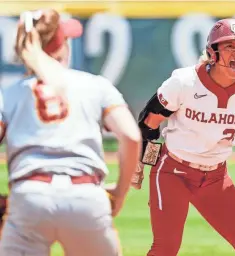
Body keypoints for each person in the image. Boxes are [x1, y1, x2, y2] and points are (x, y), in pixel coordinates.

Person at [132, 18, 235, 256]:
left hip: (216, 178)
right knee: (165, 248)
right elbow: (149, 122)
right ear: (213, 52)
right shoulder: (185, 81)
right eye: (229, 46)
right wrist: (140, 162)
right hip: (172, 173)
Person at [0, 9, 141, 256]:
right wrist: (119, 192)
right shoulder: (95, 85)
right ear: (62, 46)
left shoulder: (8, 94)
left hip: (30, 196)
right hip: (85, 195)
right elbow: (131, 136)